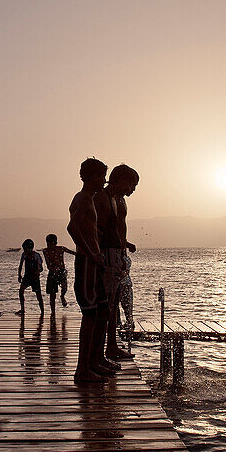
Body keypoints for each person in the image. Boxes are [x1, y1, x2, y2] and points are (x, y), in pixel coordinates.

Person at [67, 158, 112, 384]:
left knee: (103, 311)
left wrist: (99, 256)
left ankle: (95, 361)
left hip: (95, 264)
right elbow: (72, 227)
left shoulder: (92, 200)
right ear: (92, 176)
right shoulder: (82, 198)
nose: (104, 181)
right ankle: (82, 370)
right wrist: (90, 253)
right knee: (90, 314)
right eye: (102, 176)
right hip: (86, 264)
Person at [96, 164, 139, 362]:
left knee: (113, 304)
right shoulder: (103, 198)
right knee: (104, 306)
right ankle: (99, 353)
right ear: (121, 180)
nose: (133, 189)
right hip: (106, 255)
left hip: (118, 254)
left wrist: (124, 244)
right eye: (132, 184)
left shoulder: (120, 201)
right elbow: (97, 229)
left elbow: (118, 227)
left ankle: (111, 346)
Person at [41, 233, 75, 312]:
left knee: (64, 287)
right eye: (48, 243)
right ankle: (53, 311)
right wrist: (53, 269)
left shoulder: (61, 249)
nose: (50, 245)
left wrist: (81, 255)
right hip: (52, 273)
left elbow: (72, 252)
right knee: (52, 294)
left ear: (55, 243)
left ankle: (62, 296)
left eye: (51, 243)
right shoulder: (45, 251)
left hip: (61, 271)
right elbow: (48, 263)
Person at [16, 238, 45, 316]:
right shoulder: (24, 255)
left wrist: (38, 271)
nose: (25, 251)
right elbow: (21, 265)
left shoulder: (36, 255)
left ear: (30, 248)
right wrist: (19, 275)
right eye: (24, 249)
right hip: (27, 276)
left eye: (26, 249)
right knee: (21, 291)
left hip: (35, 278)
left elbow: (41, 268)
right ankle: (22, 309)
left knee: (38, 295)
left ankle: (42, 311)